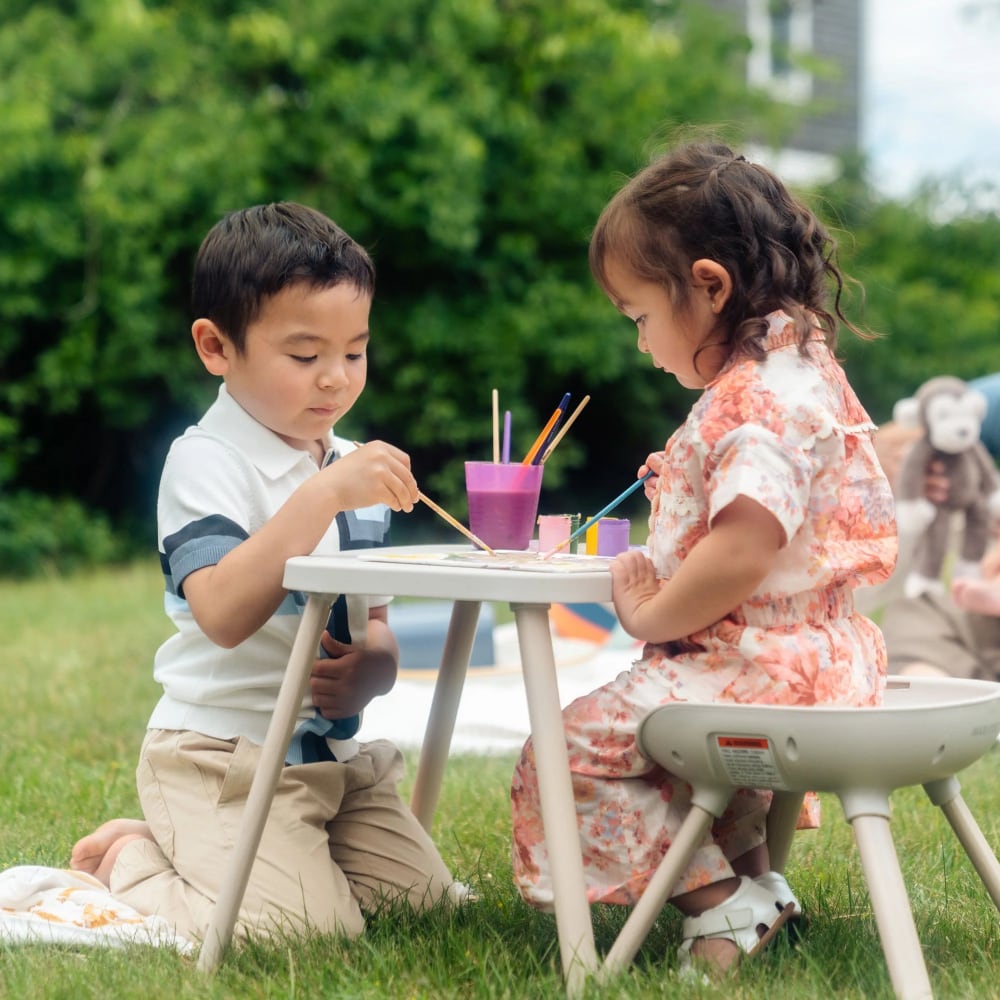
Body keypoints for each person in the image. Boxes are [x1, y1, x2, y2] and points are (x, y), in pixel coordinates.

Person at [510, 139, 897, 976]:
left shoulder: (755, 399)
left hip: (756, 668)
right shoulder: (806, 372)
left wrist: (652, 612)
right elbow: (776, 521)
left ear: (710, 286)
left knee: (564, 749)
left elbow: (742, 551)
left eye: (641, 317)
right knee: (689, 750)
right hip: (819, 662)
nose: (641, 343)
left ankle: (719, 908)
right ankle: (762, 893)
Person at [70, 202, 458, 944]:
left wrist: (373, 668)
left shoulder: (346, 467)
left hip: (334, 765)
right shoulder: (207, 461)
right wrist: (320, 497)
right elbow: (219, 612)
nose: (336, 380)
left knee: (426, 913)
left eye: (355, 351)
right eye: (305, 357)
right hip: (224, 759)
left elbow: (374, 623)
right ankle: (133, 858)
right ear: (217, 348)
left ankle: (253, 860)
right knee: (302, 935)